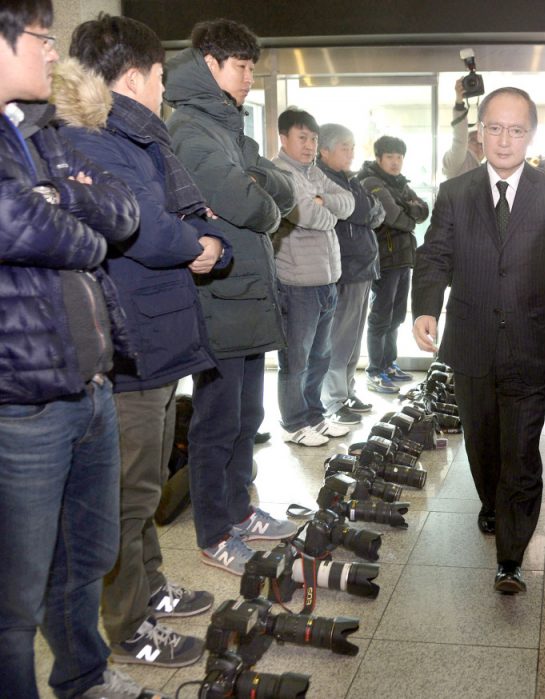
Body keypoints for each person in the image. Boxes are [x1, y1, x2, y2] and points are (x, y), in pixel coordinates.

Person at [60, 13, 224, 670]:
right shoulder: (94, 140)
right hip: (129, 340)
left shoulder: (144, 140)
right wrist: (198, 242)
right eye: (159, 79)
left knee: (148, 482)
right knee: (124, 497)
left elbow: (193, 217)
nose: (164, 93)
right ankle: (128, 624)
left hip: (159, 336)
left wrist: (205, 238)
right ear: (133, 77)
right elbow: (151, 230)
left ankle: (151, 589)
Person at [0, 1, 151, 695]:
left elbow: (120, 211)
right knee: (14, 597)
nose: (54, 53)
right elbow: (29, 227)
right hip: (22, 404)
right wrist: (69, 213)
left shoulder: (39, 132)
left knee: (86, 557)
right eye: (42, 38)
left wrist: (58, 198)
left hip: (89, 385)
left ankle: (84, 677)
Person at [411, 87, 545, 594]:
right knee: (484, 447)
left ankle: (511, 556)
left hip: (533, 344)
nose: (505, 140)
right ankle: (491, 503)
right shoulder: (455, 192)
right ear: (479, 132)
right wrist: (425, 306)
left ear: (530, 135)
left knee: (522, 455)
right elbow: (434, 255)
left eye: (516, 129)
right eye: (495, 128)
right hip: (472, 342)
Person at [165, 18, 298, 575]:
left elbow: (281, 189)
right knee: (217, 421)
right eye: (241, 66)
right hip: (218, 299)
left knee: (247, 414)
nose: (249, 77)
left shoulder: (231, 129)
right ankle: (214, 531)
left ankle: (241, 511)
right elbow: (252, 207)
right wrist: (257, 198)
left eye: (251, 67)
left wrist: (256, 190)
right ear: (210, 63)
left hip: (246, 295)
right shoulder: (192, 130)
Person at [271, 108, 356, 447]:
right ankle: (293, 423)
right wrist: (327, 211)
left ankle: (313, 415)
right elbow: (304, 214)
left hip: (326, 278)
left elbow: (348, 203)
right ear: (284, 139)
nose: (308, 145)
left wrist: (325, 203)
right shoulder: (279, 173)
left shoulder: (313, 173)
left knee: (320, 355)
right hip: (296, 282)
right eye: (301, 138)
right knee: (296, 359)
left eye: (313, 139)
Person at [318, 123, 386, 422]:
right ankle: (333, 400)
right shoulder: (322, 179)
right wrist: (365, 211)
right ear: (325, 151)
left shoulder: (350, 179)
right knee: (339, 338)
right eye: (344, 147)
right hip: (342, 269)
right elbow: (361, 212)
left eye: (352, 147)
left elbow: (377, 211)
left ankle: (346, 390)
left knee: (354, 338)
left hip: (362, 268)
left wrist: (365, 210)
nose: (351, 153)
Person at [357, 135, 429, 394]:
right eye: (390, 157)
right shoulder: (371, 181)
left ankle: (389, 364)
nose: (396, 162)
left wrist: (410, 209)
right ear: (379, 158)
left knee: (396, 316)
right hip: (383, 258)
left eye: (399, 157)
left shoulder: (399, 183)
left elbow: (424, 209)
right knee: (380, 317)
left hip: (401, 258)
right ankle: (375, 370)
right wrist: (409, 212)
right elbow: (395, 217)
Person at [442, 78, 483, 180]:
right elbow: (460, 140)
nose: (479, 147)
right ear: (467, 142)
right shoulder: (456, 161)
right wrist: (459, 103)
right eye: (474, 141)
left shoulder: (483, 169)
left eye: (482, 143)